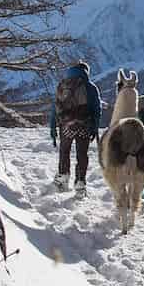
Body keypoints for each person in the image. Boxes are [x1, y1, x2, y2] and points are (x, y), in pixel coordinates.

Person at [49, 60, 102, 196]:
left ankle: (63, 176)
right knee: (82, 154)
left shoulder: (63, 85)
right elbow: (97, 109)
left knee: (64, 151)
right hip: (84, 125)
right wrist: (95, 127)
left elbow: (55, 109)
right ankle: (80, 183)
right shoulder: (90, 87)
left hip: (66, 126)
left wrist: (53, 127)